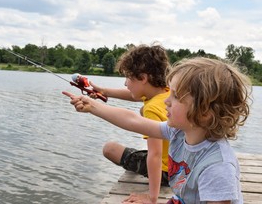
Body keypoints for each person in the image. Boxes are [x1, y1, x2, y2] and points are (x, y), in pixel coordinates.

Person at [63, 57, 252, 203]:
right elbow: (132, 120)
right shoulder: (178, 132)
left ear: (204, 112)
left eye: (176, 96)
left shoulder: (217, 167)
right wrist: (92, 106)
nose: (167, 100)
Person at [89, 44, 171, 203]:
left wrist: (152, 198)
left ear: (143, 78)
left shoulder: (152, 109)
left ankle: (149, 182)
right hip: (179, 163)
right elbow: (135, 96)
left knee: (110, 149)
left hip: (167, 173)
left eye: (128, 77)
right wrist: (104, 92)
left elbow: (155, 155)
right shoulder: (166, 93)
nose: (125, 83)